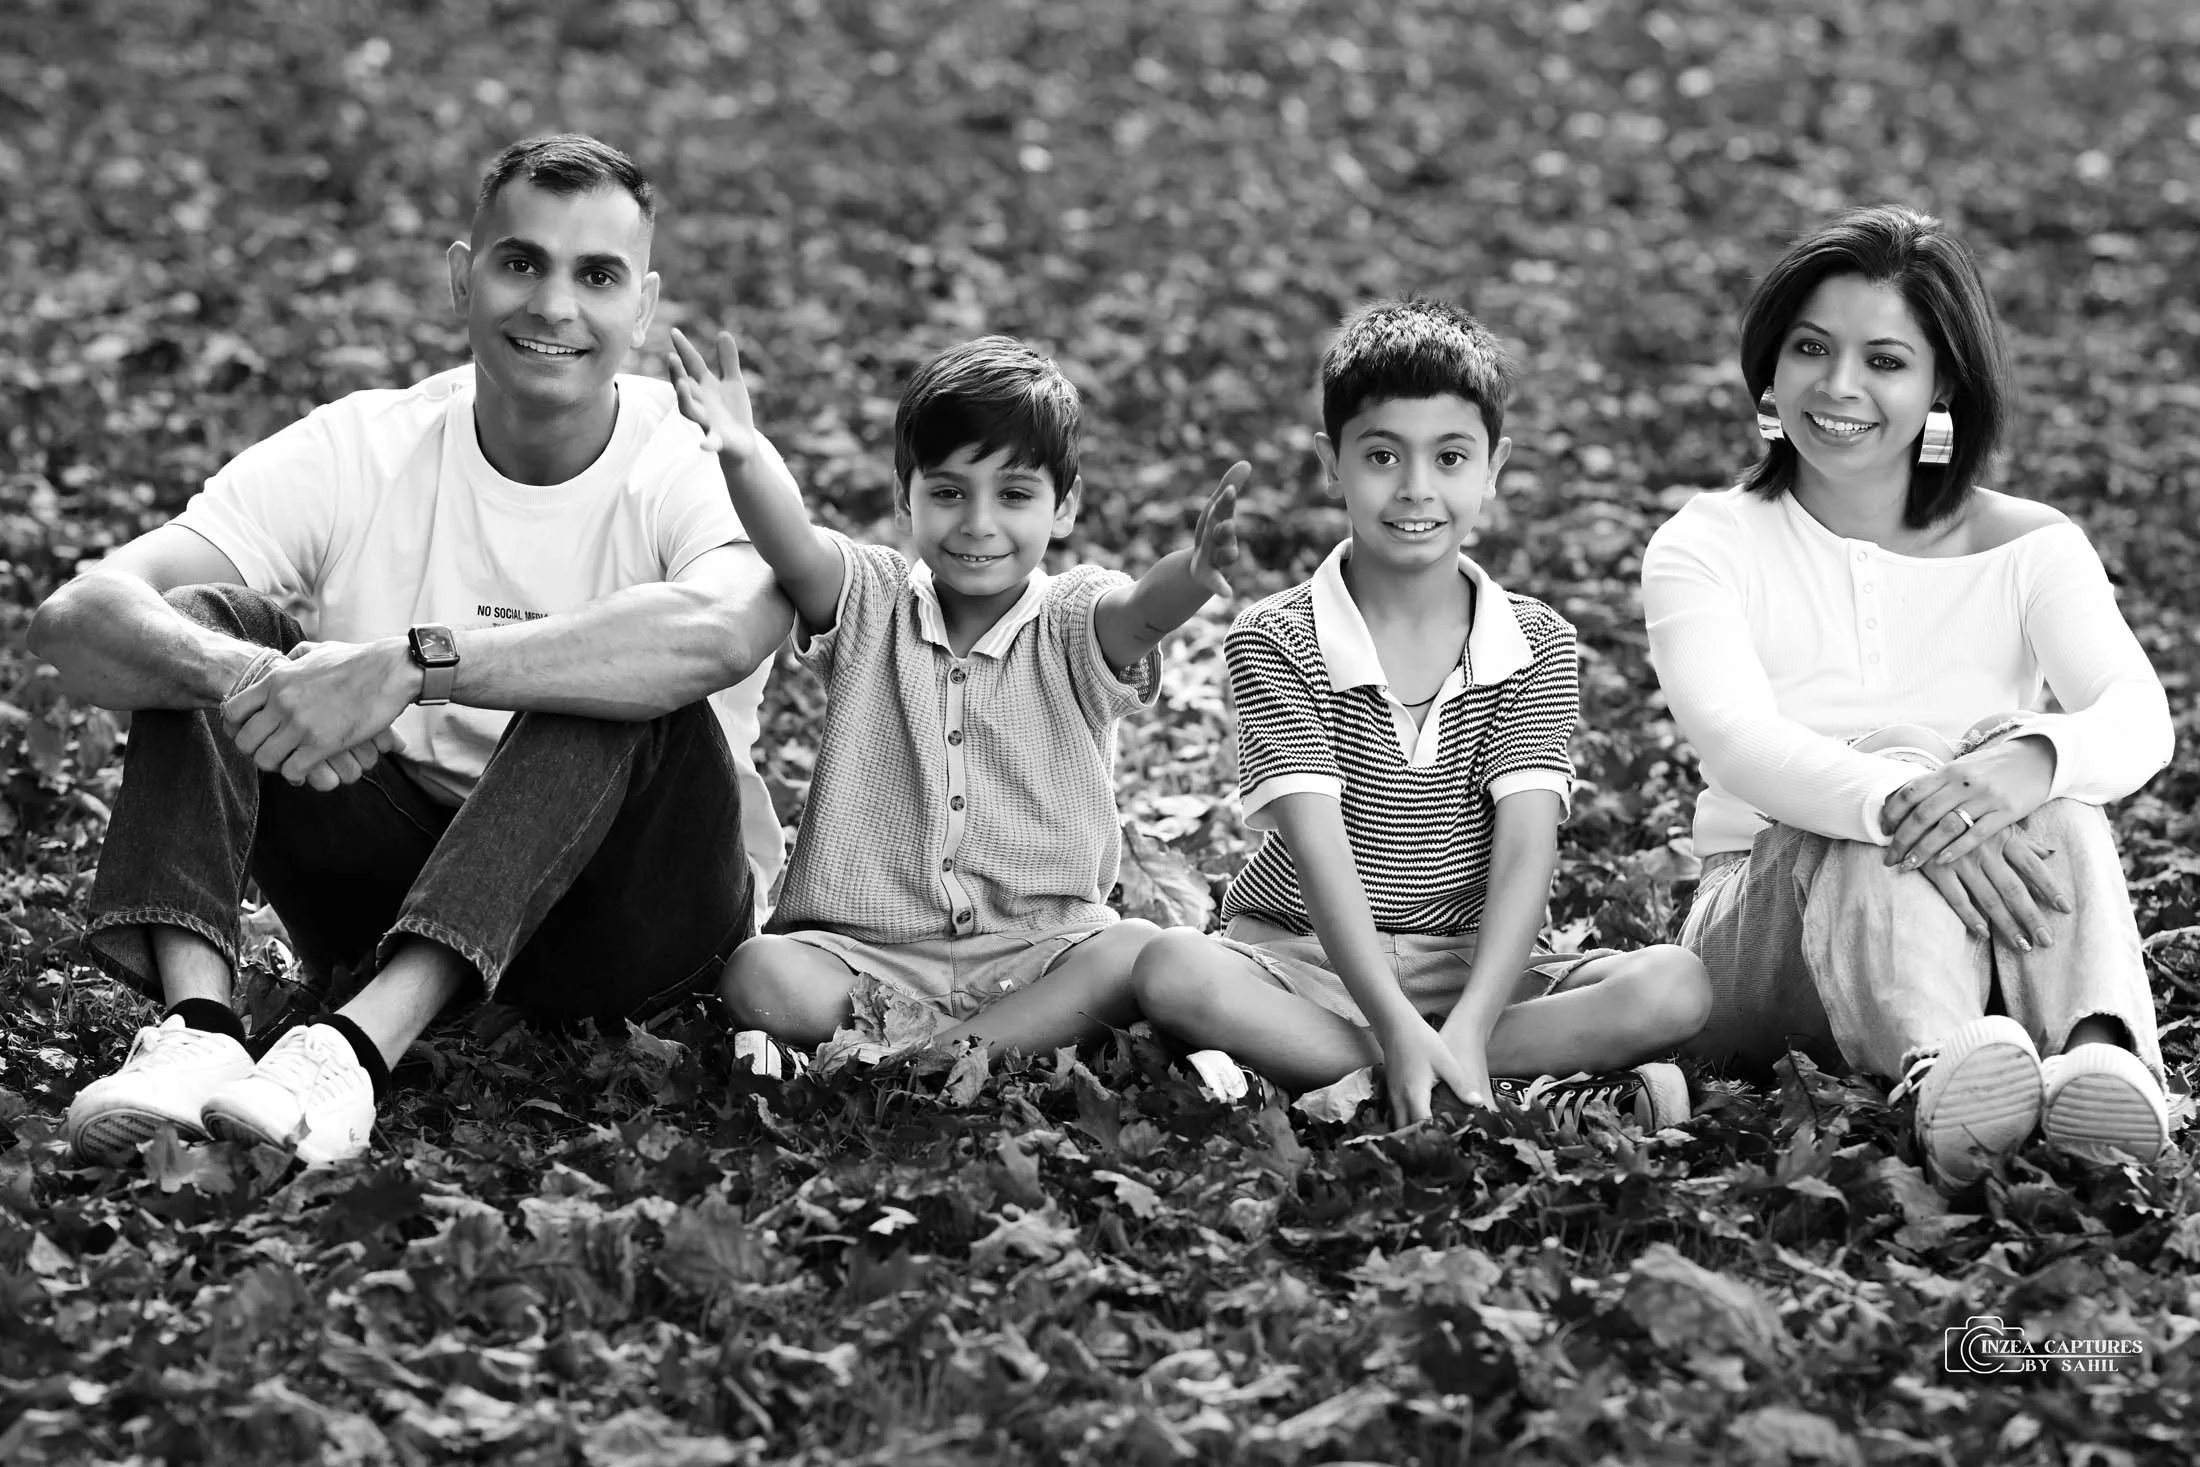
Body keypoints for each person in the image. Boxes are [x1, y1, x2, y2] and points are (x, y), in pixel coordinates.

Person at [31, 134, 794, 1167]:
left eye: (597, 275)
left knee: (610, 674)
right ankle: (199, 1038)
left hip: (639, 924)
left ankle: (355, 1050)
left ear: (643, 306)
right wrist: (253, 678)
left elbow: (719, 632)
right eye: (520, 262)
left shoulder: (694, 456)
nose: (554, 306)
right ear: (461, 275)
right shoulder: (366, 445)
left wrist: (416, 662)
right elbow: (80, 620)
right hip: (394, 886)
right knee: (200, 624)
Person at [1641, 204, 2176, 1187]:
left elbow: (2138, 720)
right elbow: (1733, 743)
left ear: (1942, 387)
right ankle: (1939, 1070)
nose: (1839, 387)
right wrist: (1902, 793)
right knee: (1899, 753)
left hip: (1983, 951)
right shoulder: (1706, 542)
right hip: (1755, 941)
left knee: (2047, 770)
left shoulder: (2030, 546)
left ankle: (2099, 1059)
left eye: (1884, 361)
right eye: (1811, 348)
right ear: (1769, 366)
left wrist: (2023, 764)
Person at [1129, 298, 1711, 1130]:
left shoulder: (1537, 640)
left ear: (1493, 464)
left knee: (1675, 984)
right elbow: (1320, 855)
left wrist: (1468, 1021)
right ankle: (1450, 1073)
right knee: (1173, 969)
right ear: (1332, 463)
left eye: (1449, 457)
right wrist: (1393, 1020)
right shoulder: (1277, 637)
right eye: (1381, 456)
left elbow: (1525, 850)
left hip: (1476, 967)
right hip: (1306, 959)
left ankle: (1404, 1067)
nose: (1416, 490)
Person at [669, 329, 1244, 1054]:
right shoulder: (870, 600)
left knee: (1136, 950)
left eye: (1014, 494)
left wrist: (1192, 574)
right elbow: (796, 547)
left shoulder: (1072, 619)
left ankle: (930, 1057)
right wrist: (744, 455)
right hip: (870, 957)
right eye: (947, 492)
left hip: (1038, 953)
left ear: (1063, 507)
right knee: (760, 972)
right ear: (905, 502)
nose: (978, 523)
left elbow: (1138, 615)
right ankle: (979, 1048)